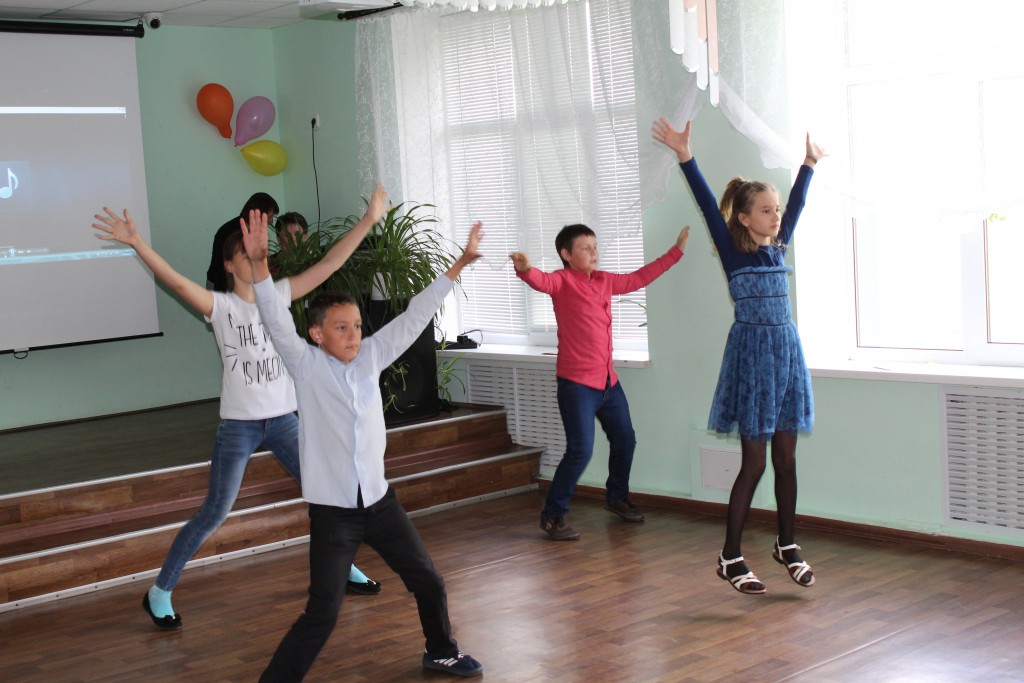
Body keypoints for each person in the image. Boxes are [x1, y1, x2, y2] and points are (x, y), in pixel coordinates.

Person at [90, 185, 389, 631]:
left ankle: (342, 567)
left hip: (284, 421)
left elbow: (330, 264)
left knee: (329, 494)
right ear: (229, 265)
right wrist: (136, 242)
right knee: (215, 510)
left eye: (259, 254)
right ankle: (159, 592)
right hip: (240, 426)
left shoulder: (280, 295)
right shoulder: (220, 306)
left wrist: (369, 219)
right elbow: (174, 281)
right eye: (247, 256)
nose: (256, 259)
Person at [243, 210, 485, 680]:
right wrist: (258, 268)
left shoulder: (371, 356)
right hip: (334, 513)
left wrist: (459, 264)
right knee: (323, 611)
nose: (353, 334)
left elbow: (415, 316)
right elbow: (273, 317)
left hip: (379, 503)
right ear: (316, 334)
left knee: (428, 581)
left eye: (356, 325)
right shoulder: (306, 365)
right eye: (341, 327)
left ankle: (440, 651)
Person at [652, 117, 826, 594]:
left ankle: (787, 545)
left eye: (776, 209)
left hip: (787, 360)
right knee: (755, 464)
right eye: (766, 210)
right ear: (745, 218)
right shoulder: (734, 253)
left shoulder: (779, 247)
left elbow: (798, 204)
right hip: (753, 362)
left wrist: (809, 163)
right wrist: (685, 156)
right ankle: (730, 556)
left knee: (786, 459)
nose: (776, 216)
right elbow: (708, 204)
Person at [510, 222, 690, 541]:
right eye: (585, 248)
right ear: (567, 254)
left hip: (609, 383)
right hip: (577, 385)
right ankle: (552, 516)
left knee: (625, 440)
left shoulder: (605, 280)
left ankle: (616, 497)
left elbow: (639, 278)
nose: (594, 253)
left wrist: (675, 252)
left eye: (595, 247)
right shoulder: (563, 281)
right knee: (580, 450)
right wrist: (525, 269)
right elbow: (541, 281)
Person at [207, 192, 280, 291]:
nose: (271, 221)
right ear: (258, 214)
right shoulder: (232, 233)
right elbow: (225, 271)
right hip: (222, 286)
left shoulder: (251, 230)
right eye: (270, 216)